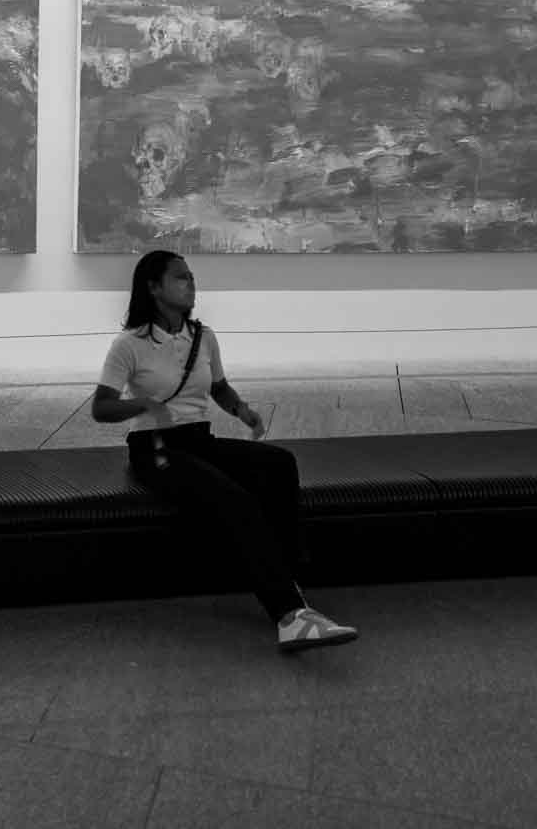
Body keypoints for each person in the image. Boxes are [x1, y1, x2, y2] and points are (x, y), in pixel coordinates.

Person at [94, 250, 360, 653]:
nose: (191, 284)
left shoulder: (203, 336)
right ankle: (288, 615)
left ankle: (288, 575)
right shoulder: (129, 344)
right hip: (157, 449)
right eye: (181, 277)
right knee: (234, 499)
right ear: (153, 287)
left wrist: (242, 410)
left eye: (191, 277)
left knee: (279, 464)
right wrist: (143, 405)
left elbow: (218, 387)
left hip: (200, 439)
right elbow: (102, 407)